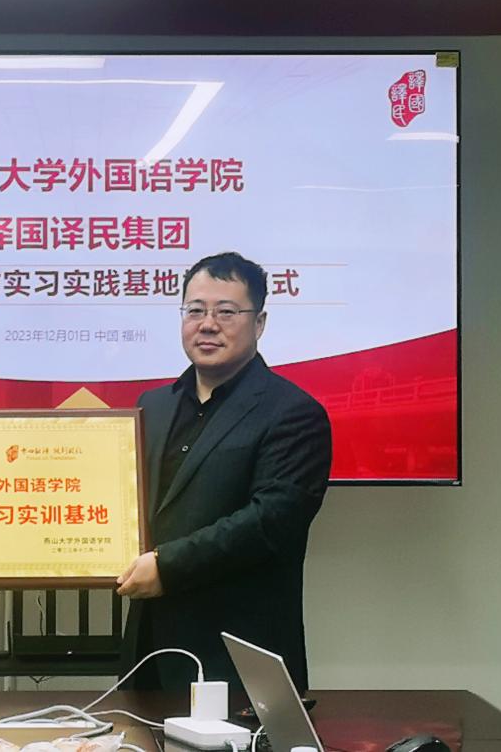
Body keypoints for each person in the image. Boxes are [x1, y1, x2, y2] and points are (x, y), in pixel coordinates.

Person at [116, 251, 331, 697]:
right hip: (149, 651)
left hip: (238, 658)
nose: (208, 324)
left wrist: (167, 566)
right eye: (195, 310)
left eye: (226, 312)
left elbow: (269, 523)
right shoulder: (152, 406)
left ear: (260, 323)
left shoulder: (294, 413)